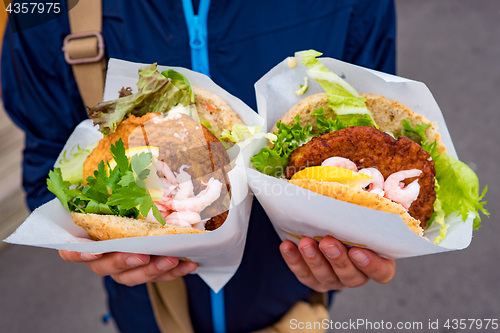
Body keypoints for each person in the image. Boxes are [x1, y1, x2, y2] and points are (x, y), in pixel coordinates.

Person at [2, 0, 397, 332]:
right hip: (147, 315)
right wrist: (82, 238)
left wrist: (363, 239)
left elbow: (377, 140)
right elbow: (48, 168)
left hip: (295, 309)